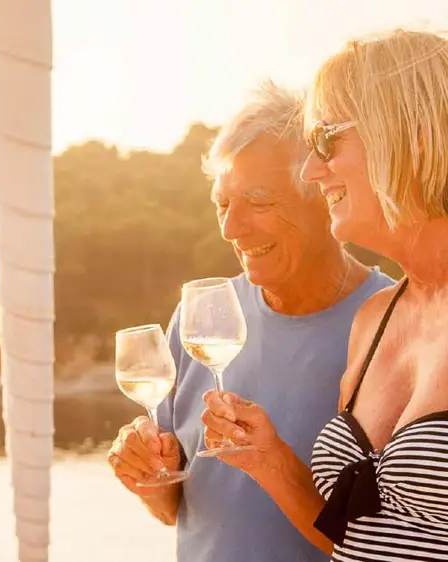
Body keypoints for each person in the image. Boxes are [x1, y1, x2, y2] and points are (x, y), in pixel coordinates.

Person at [106, 81, 394, 562]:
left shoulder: (395, 323)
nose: (230, 228)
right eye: (223, 205)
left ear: (324, 194)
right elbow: (176, 508)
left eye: (258, 202)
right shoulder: (200, 322)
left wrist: (272, 462)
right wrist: (148, 478)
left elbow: (392, 541)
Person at [202, 29, 448, 561]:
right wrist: (267, 458)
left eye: (327, 141)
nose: (313, 172)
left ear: (413, 137)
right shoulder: (375, 320)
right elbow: (357, 536)